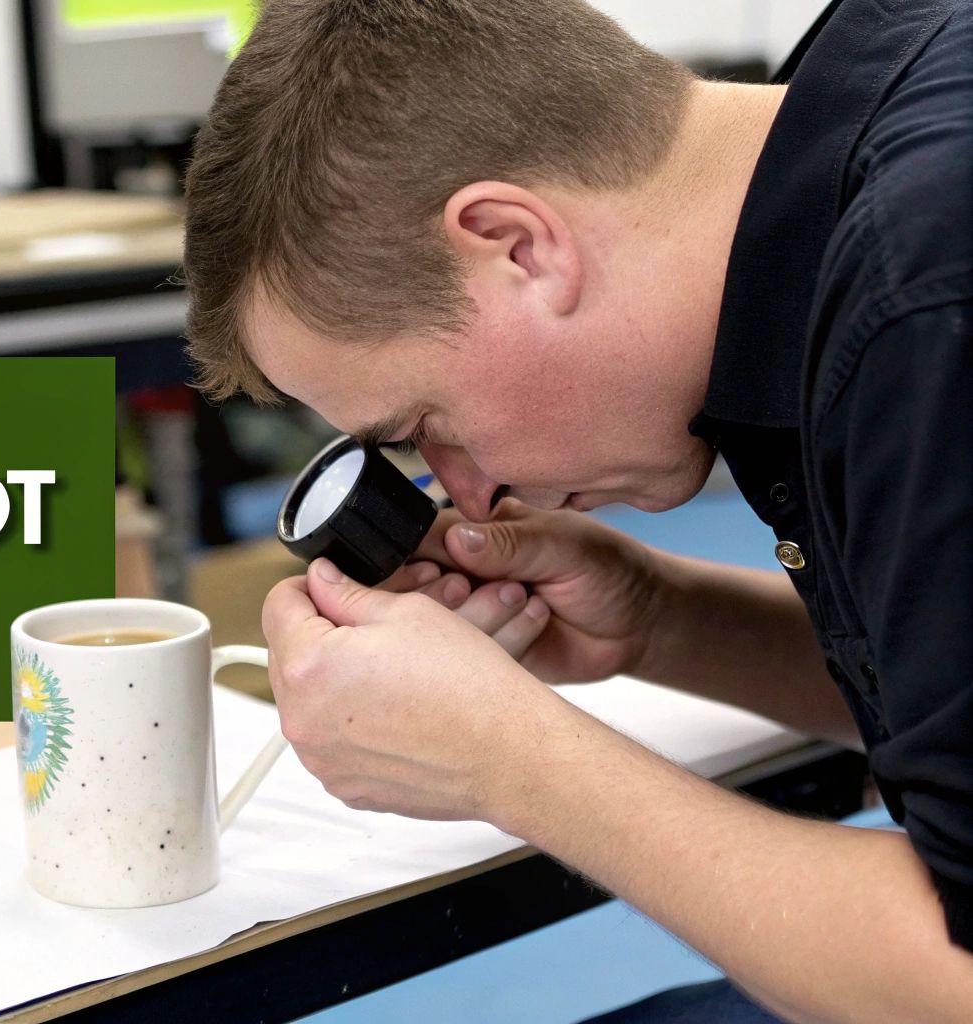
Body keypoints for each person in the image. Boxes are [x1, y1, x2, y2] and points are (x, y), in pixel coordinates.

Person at [179, 0, 973, 1020]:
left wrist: (511, 761)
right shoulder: (871, 101)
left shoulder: (921, 303)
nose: (466, 492)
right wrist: (659, 617)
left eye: (428, 422)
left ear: (516, 245)